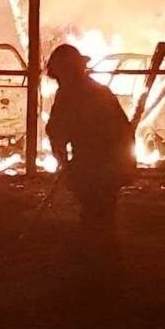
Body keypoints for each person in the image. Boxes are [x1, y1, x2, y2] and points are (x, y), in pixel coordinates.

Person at [45, 44, 135, 233]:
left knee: (94, 213)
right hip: (113, 162)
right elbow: (124, 131)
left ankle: (95, 252)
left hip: (95, 164)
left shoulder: (69, 93)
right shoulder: (101, 90)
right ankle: (103, 252)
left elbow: (57, 131)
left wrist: (64, 163)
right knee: (103, 213)